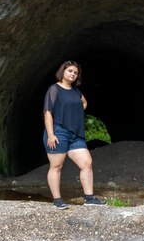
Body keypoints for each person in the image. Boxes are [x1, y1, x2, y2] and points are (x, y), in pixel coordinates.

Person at [42, 60, 106, 209]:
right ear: (62, 72)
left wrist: (74, 113)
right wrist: (51, 134)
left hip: (76, 134)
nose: (73, 74)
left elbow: (84, 102)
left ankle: (89, 198)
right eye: (70, 71)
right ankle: (57, 200)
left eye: (75, 72)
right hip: (59, 132)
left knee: (87, 163)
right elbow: (47, 112)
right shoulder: (54, 89)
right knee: (56, 166)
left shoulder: (76, 91)